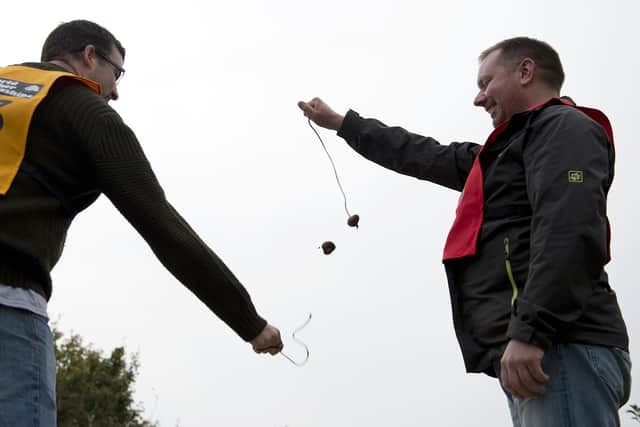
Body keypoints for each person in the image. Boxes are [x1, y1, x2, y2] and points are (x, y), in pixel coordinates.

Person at [299, 37, 631, 426]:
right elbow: (421, 153)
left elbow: (569, 231)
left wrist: (530, 332)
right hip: (541, 348)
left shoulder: (563, 129)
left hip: (559, 343)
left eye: (486, 83)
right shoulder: (502, 156)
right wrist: (343, 124)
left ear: (525, 71)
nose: (479, 99)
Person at [0, 19, 282, 425]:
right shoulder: (82, 108)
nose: (116, 90)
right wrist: (249, 321)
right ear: (90, 56)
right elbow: (162, 226)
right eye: (117, 72)